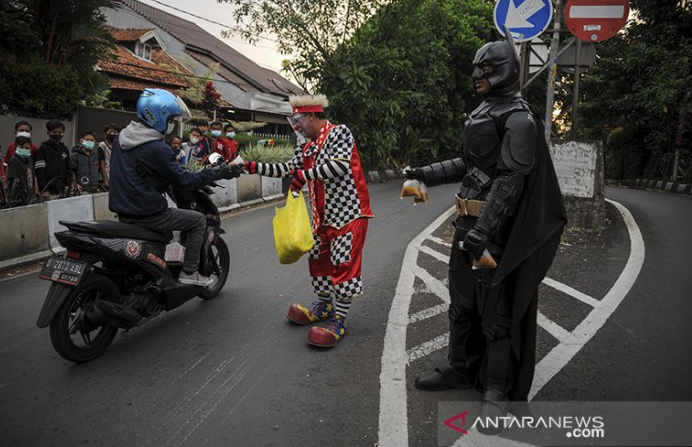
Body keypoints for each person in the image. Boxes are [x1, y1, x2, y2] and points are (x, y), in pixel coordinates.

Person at [405, 34, 567, 432]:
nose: (476, 75)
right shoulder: (485, 111)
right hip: (466, 225)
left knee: (497, 312)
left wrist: (486, 229)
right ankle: (461, 367)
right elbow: (470, 164)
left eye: (486, 69)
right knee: (461, 304)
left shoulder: (519, 118)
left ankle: (496, 389)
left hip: (495, 235)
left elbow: (511, 181)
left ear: (506, 71)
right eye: (477, 69)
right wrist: (427, 174)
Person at [242, 94, 373, 348]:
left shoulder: (339, 133)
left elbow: (339, 166)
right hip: (320, 218)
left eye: (298, 120)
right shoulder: (307, 145)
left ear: (311, 116)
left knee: (342, 265)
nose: (296, 126)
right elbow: (288, 169)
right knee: (318, 262)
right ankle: (324, 306)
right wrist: (251, 166)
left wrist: (304, 176)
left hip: (349, 214)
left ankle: (339, 320)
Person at [108, 88, 241, 285]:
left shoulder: (122, 138)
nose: (171, 124)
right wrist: (217, 172)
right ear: (158, 116)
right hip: (148, 214)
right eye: (170, 119)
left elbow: (145, 172)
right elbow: (185, 180)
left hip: (123, 210)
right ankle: (189, 272)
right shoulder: (156, 147)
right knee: (197, 221)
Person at [34, 119, 71, 199]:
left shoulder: (64, 149)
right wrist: (44, 189)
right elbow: (39, 171)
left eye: (60, 132)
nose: (58, 134)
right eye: (54, 132)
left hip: (62, 190)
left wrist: (67, 184)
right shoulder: (42, 149)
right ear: (48, 133)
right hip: (49, 191)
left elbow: (68, 169)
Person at [6, 134, 38, 206]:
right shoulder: (14, 160)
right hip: (19, 198)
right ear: (15, 147)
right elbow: (13, 182)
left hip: (29, 195)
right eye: (21, 147)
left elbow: (33, 176)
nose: (24, 149)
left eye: (27, 148)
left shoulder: (29, 160)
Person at [97, 124, 119, 191]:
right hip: (105, 174)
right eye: (110, 132)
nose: (112, 134)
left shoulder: (119, 145)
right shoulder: (102, 145)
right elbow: (102, 163)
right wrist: (106, 180)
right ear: (105, 134)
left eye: (115, 133)